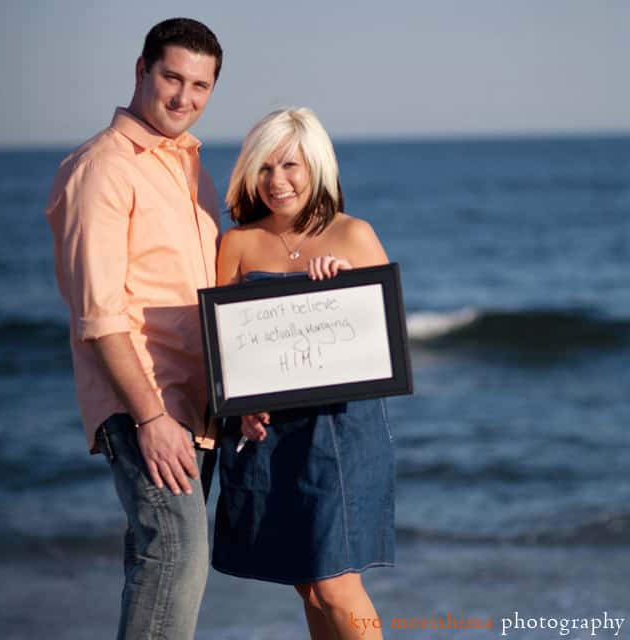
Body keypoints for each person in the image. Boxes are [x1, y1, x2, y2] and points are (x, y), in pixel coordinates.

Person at [46, 18, 223, 640]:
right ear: (141, 71)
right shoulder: (103, 168)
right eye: (172, 77)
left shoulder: (188, 167)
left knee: (160, 569)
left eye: (200, 85)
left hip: (196, 413)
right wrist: (150, 418)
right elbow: (99, 315)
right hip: (146, 406)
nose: (184, 98)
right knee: (175, 562)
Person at [212, 107, 395, 640]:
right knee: (308, 586)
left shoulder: (354, 234)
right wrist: (239, 406)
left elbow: (389, 334)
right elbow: (224, 343)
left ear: (315, 166)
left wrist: (343, 285)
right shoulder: (238, 243)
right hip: (268, 436)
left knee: (336, 585)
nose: (277, 181)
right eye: (264, 168)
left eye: (289, 165)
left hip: (342, 432)